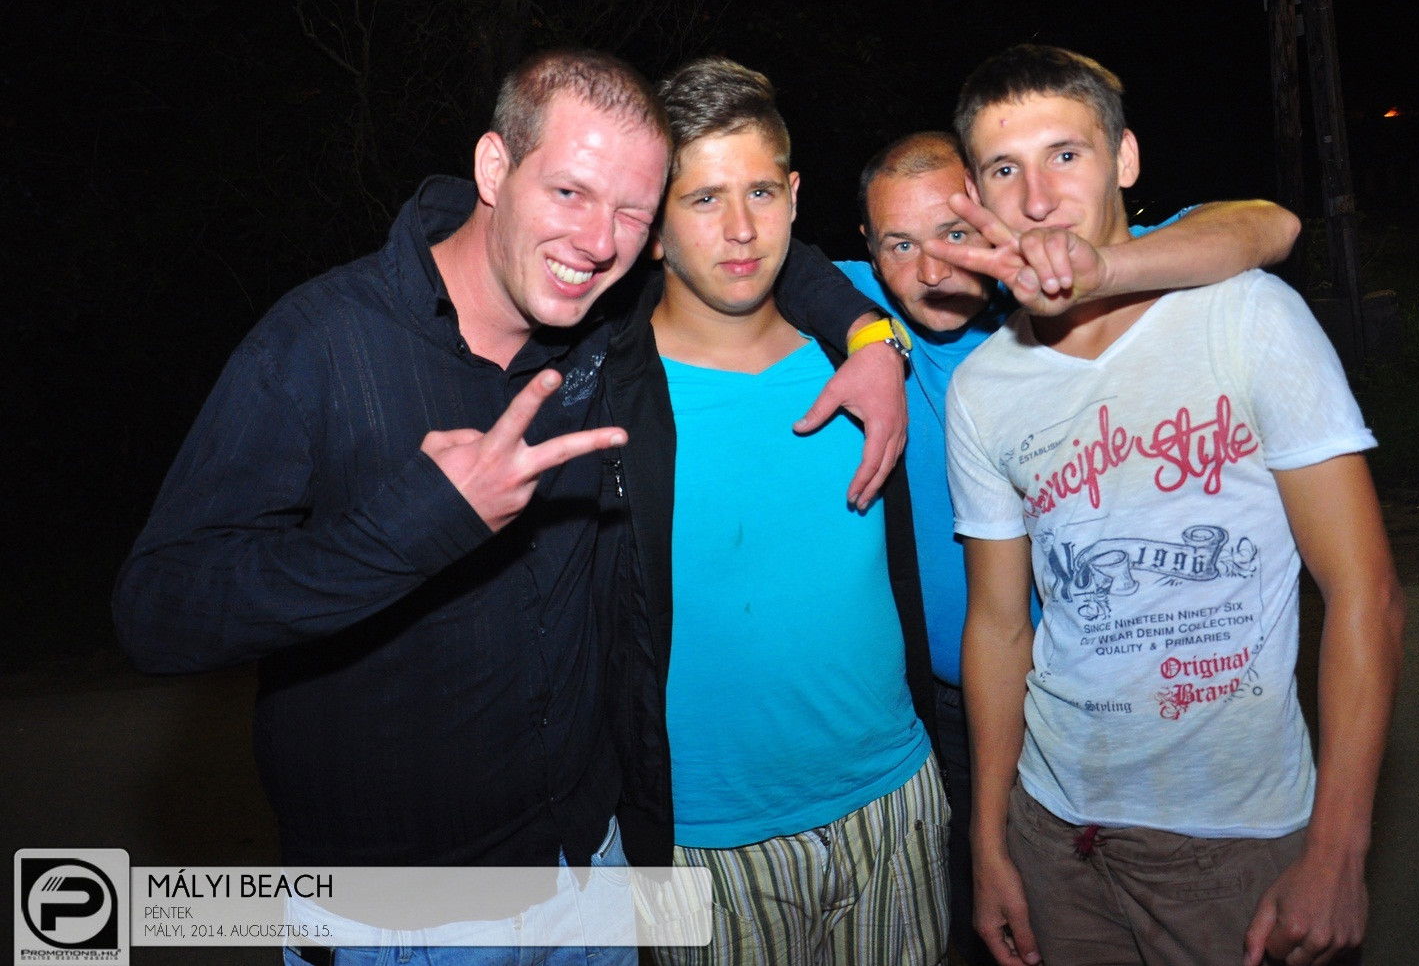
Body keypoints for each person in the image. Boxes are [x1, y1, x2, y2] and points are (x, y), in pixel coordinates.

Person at [111, 48, 905, 964]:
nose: (598, 239)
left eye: (632, 211)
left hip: (591, 875)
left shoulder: (600, 320)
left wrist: (870, 336)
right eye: (569, 192)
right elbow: (157, 610)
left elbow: (760, 247)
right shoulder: (322, 343)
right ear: (495, 168)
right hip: (397, 922)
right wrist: (415, 524)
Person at [942, 45, 1406, 966]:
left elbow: (1366, 593)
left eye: (1065, 154)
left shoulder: (1246, 315)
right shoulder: (983, 385)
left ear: (1124, 159)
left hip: (1237, 840)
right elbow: (998, 624)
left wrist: (1338, 851)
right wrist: (989, 843)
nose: (1038, 197)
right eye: (1004, 169)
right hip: (1053, 835)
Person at [840, 130, 1299, 965]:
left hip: (1093, 697)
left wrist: (1105, 269)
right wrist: (867, 336)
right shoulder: (860, 302)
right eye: (899, 246)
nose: (933, 269)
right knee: (995, 916)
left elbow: (1270, 223)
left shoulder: (1069, 290)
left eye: (955, 233)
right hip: (940, 709)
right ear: (868, 253)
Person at [601, 58, 947, 965]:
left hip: (894, 802)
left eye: (760, 191)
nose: (741, 229)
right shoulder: (604, 397)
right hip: (702, 843)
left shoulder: (863, 353)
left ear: (794, 198)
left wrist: (876, 336)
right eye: (702, 199)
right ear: (652, 227)